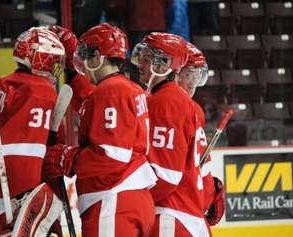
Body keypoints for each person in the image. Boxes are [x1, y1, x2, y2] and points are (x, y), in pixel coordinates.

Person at [44, 23, 157, 237]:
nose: (83, 65)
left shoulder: (111, 91)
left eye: (86, 56)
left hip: (113, 201)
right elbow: (91, 105)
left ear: (97, 57)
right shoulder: (126, 87)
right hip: (130, 200)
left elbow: (112, 154)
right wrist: (69, 67)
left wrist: (68, 158)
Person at [0, 27, 67, 237]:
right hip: (6, 200)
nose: (55, 69)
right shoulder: (40, 90)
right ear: (39, 57)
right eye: (53, 62)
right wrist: (27, 197)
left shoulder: (2, 84)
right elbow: (21, 152)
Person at [131, 32, 214, 236]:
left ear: (166, 65)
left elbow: (166, 176)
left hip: (169, 216)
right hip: (187, 216)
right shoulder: (181, 104)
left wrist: (133, 202)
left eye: (147, 59)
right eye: (189, 75)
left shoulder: (165, 103)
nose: (192, 84)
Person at [177, 42, 226, 234]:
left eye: (197, 76)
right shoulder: (186, 111)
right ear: (174, 72)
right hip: (179, 213)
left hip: (188, 212)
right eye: (187, 75)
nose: (192, 83)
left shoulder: (193, 112)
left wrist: (208, 193)